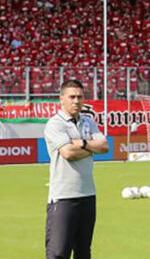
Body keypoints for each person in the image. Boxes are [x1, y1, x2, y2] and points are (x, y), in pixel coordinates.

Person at [44, 80, 110, 259]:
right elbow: (68, 152)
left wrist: (82, 143)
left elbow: (104, 147)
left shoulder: (88, 122)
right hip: (64, 197)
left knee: (83, 252)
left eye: (80, 97)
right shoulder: (55, 124)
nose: (76, 101)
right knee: (58, 253)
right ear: (61, 99)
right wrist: (91, 148)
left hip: (88, 195)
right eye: (71, 97)